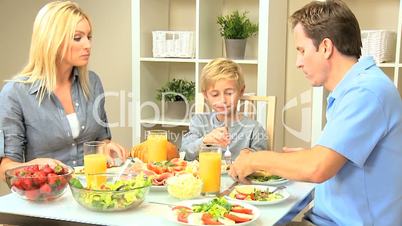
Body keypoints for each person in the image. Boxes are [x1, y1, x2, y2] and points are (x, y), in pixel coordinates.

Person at [229, 0, 402, 225]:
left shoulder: (366, 92)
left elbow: (317, 168)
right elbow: (327, 160)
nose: (298, 63)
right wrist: (309, 156)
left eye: (301, 50)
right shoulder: (357, 87)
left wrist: (255, 160)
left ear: (326, 47)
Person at [0, 1, 128, 178]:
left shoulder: (92, 82)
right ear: (52, 40)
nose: (88, 45)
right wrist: (35, 165)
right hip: (46, 196)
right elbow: (5, 167)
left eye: (89, 37)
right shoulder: (15, 93)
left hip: (90, 191)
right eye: (77, 38)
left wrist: (105, 147)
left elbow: (100, 139)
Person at [181, 58, 268, 161]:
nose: (222, 100)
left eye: (229, 93)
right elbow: (184, 154)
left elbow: (261, 164)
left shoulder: (254, 129)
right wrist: (204, 141)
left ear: (241, 91)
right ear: (205, 95)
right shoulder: (200, 122)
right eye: (215, 94)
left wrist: (249, 156)